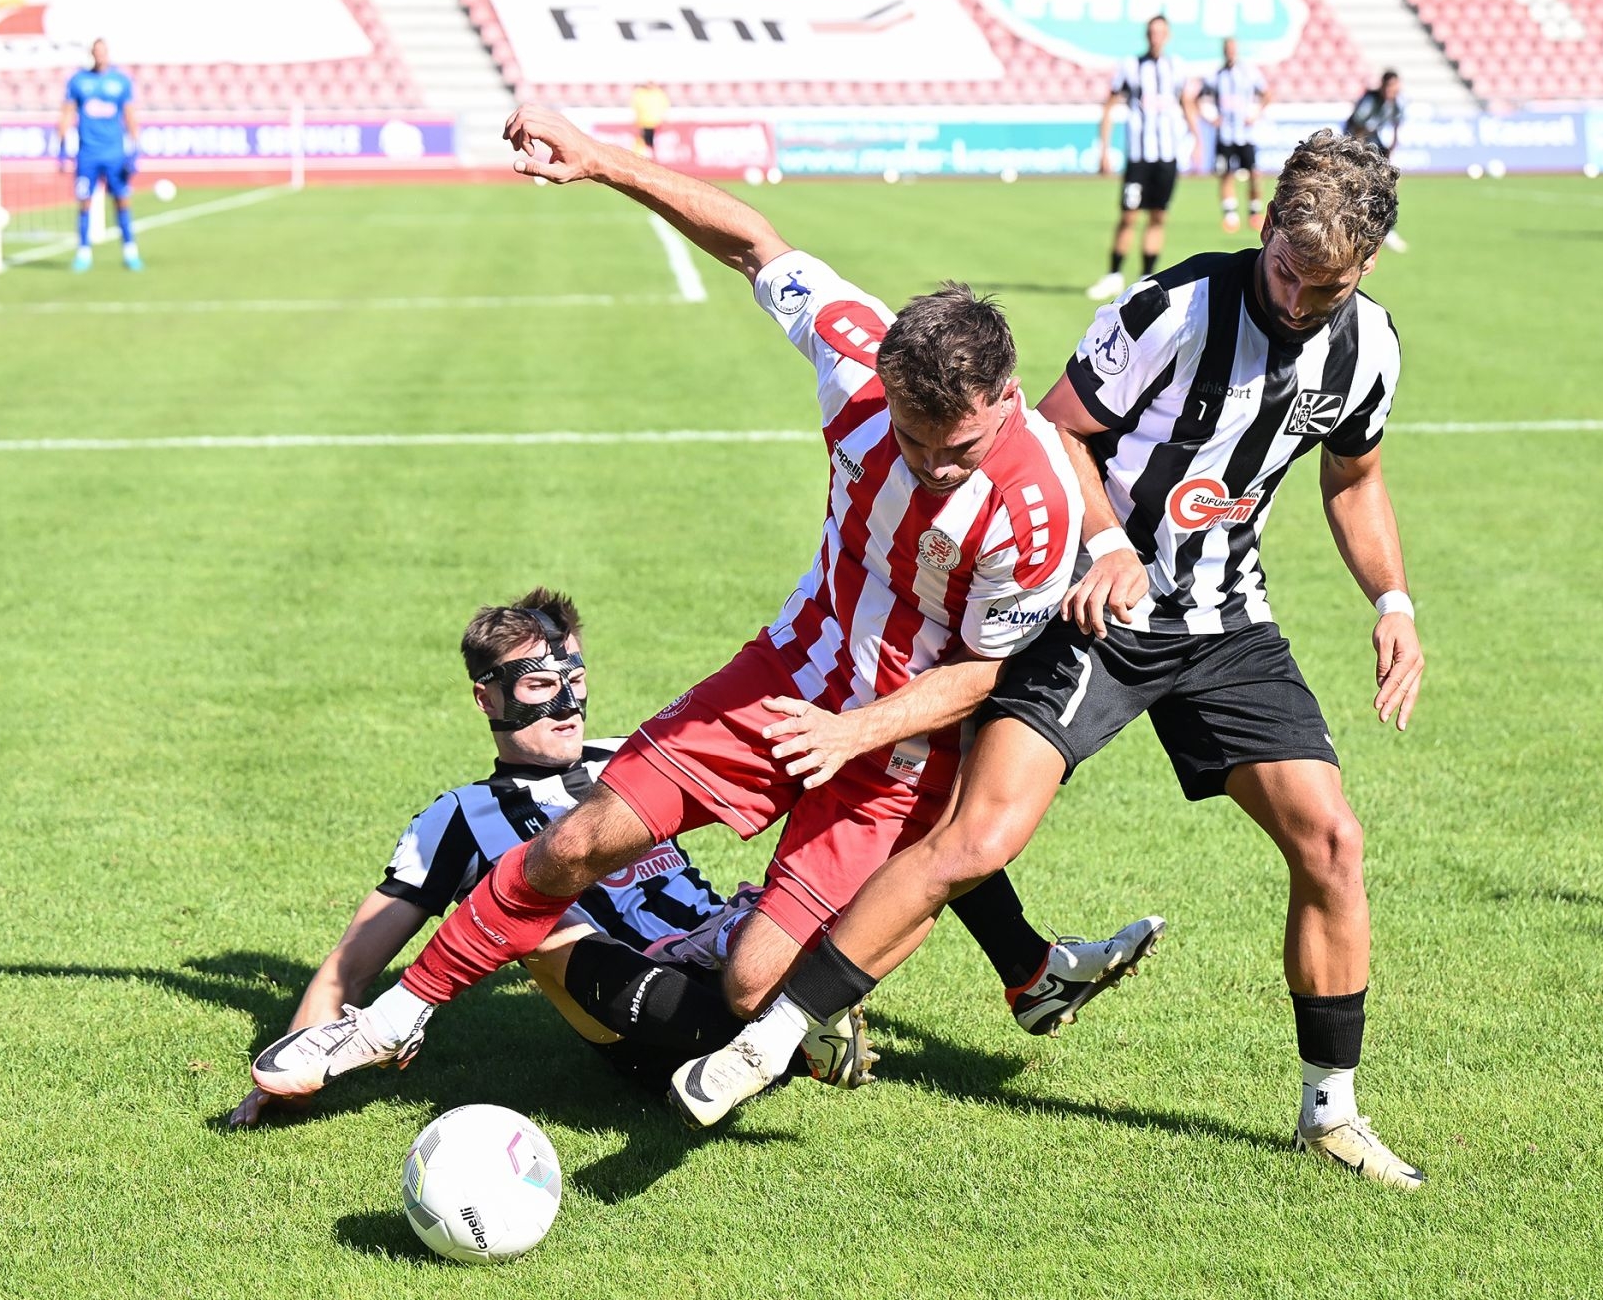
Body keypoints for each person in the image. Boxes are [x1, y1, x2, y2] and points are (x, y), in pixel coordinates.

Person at [248, 104, 1164, 1104]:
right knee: (577, 840)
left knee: (752, 982)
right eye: (914, 440)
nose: (936, 466)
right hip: (788, 670)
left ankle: (837, 955)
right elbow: (754, 244)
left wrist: (853, 731)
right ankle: (393, 1016)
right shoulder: (855, 355)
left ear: (1008, 399)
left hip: (896, 743)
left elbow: (985, 671)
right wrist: (602, 161)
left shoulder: (1037, 506)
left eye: (963, 448)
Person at [678, 131, 1428, 1194]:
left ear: (1369, 265)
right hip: (1091, 608)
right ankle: (771, 1038)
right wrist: (1111, 544)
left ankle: (1330, 1113)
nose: (1298, 301)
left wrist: (1392, 601)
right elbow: (1058, 430)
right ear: (1262, 227)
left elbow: (1353, 479)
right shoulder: (1172, 309)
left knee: (1333, 839)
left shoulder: (1371, 348)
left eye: (1326, 287)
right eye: (1284, 273)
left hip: (1225, 621)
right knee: (976, 836)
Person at [233, 588, 764, 1126]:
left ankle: (773, 1029)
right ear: (486, 698)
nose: (568, 705)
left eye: (576, 680)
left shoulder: (634, 755)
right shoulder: (461, 817)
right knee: (540, 915)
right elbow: (349, 965)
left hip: (735, 958)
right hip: (648, 1030)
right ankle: (762, 1042)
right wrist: (289, 1081)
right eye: (540, 685)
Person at [1087, 15, 1203, 302]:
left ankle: (1145, 277)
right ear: (1146, 35)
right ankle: (1114, 274)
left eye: (1161, 32)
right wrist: (1104, 149)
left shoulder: (1177, 67)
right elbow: (1110, 106)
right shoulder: (1130, 66)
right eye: (1152, 32)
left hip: (1166, 157)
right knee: (1128, 215)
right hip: (1139, 157)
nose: (1156, 37)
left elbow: (1187, 104)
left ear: (1167, 36)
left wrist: (1198, 141)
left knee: (1158, 215)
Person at [58, 38, 142, 274]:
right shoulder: (78, 81)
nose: (100, 55)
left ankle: (130, 252)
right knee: (84, 202)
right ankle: (83, 253)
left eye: (103, 51)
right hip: (87, 154)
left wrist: (135, 149)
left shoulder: (120, 81)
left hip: (115, 153)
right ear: (92, 54)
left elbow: (130, 115)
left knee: (122, 200)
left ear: (108, 53)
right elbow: (66, 114)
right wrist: (62, 149)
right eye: (96, 51)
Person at [1204, 37, 1270, 234]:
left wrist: (1256, 113)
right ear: (1224, 51)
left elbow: (1267, 94)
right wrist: (1211, 116)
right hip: (1225, 135)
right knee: (1226, 173)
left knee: (1254, 173)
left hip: (1245, 135)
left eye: (1233, 48)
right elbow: (1200, 98)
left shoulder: (1249, 73)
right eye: (1227, 49)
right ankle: (1230, 215)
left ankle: (1254, 212)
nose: (1230, 52)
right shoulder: (1216, 75)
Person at [1346, 71, 1407, 254]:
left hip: (1375, 141)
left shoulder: (1396, 103)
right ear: (1382, 86)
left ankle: (1388, 229)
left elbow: (1396, 127)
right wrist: (1359, 154)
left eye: (1394, 87)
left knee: (1391, 182)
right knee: (1359, 185)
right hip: (1358, 141)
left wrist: (1390, 152)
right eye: (1389, 86)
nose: (1391, 90)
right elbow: (1356, 126)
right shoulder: (1370, 101)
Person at [632, 80, 670, 159]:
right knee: (642, 140)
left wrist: (662, 118)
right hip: (643, 122)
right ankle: (640, 156)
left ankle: (653, 156)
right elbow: (636, 106)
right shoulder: (640, 93)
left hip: (655, 122)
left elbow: (664, 106)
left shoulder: (659, 93)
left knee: (654, 141)